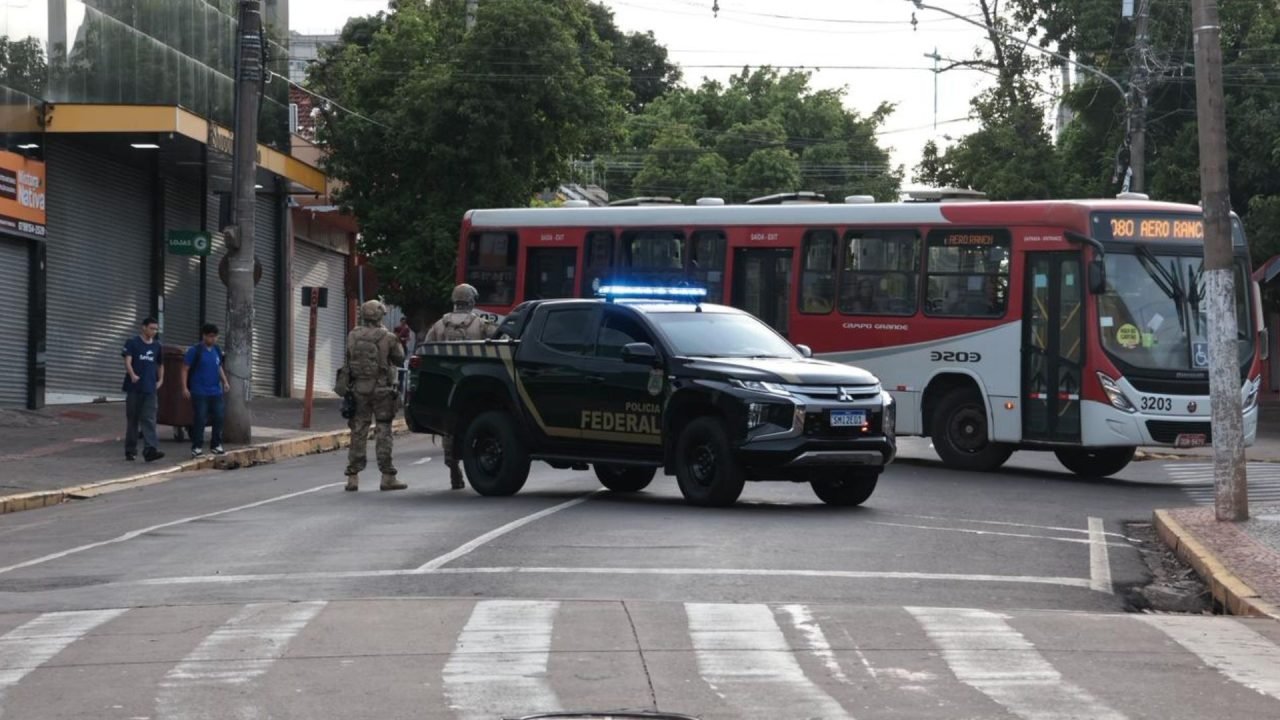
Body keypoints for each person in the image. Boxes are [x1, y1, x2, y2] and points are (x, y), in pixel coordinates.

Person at [424, 283, 499, 489]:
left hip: (446, 384)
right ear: (472, 301)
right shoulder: (481, 324)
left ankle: (453, 468)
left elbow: (425, 350)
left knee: (449, 428)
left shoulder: (440, 325)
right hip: (474, 386)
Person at [340, 300, 406, 492]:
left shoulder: (353, 335)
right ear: (380, 315)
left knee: (358, 430)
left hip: (358, 389)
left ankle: (353, 477)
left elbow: (348, 357)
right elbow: (399, 358)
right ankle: (387, 476)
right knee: (383, 430)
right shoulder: (388, 337)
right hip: (382, 390)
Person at [181, 323, 230, 458]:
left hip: (216, 391)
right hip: (200, 391)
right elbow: (185, 369)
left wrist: (225, 382)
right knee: (200, 419)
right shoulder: (195, 351)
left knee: (219, 417)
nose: (213, 339)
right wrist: (184, 387)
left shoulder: (217, 350)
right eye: (210, 336)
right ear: (204, 336)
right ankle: (197, 447)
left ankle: (216, 445)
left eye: (215, 337)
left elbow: (218, 366)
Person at [122, 317, 165, 462]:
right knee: (133, 419)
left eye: (155, 329)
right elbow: (127, 361)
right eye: (151, 328)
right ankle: (130, 450)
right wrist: (132, 374)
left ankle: (150, 450)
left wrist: (160, 380)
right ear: (144, 328)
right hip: (134, 388)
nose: (153, 331)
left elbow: (160, 364)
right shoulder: (133, 343)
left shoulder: (157, 346)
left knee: (149, 419)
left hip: (150, 388)